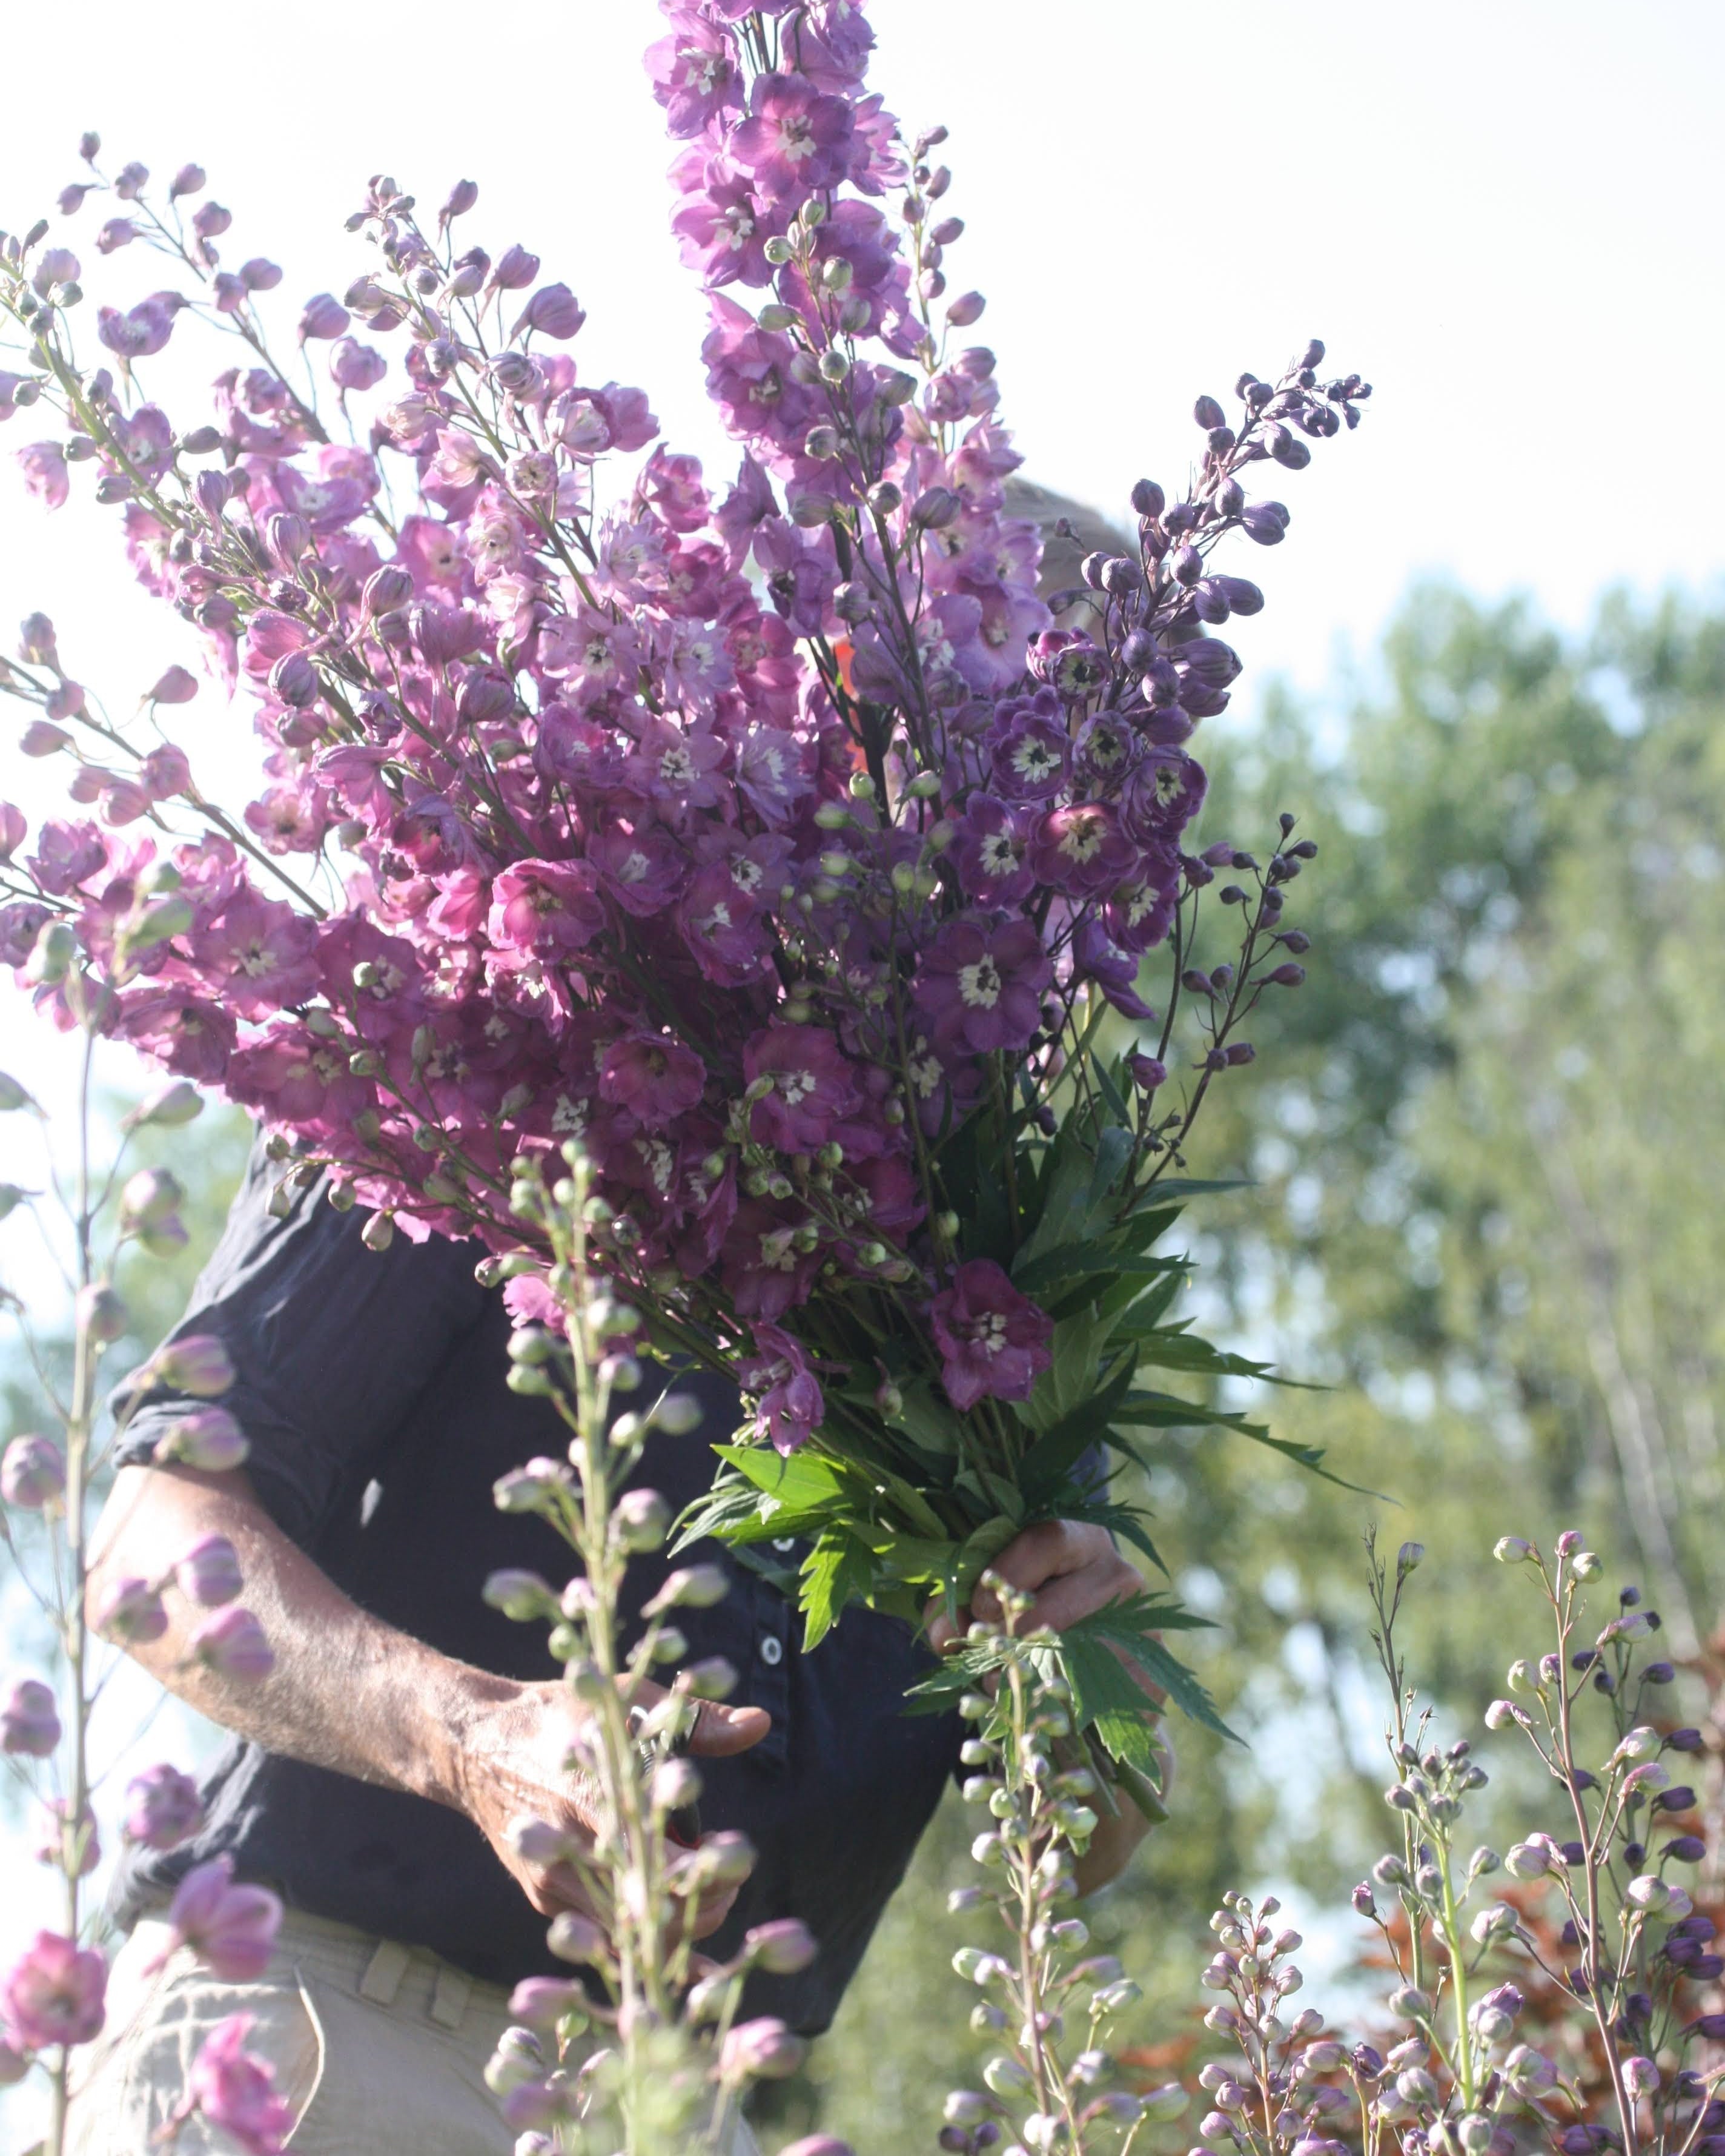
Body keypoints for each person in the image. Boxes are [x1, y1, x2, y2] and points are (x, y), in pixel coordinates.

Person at [73, 1140, 1159, 2154]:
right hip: (335, 2039)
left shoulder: (997, 1254)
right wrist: (471, 1736)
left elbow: (1093, 1841)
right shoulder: (470, 1071)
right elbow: (150, 1549)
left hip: (693, 2107)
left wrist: (1103, 1678)